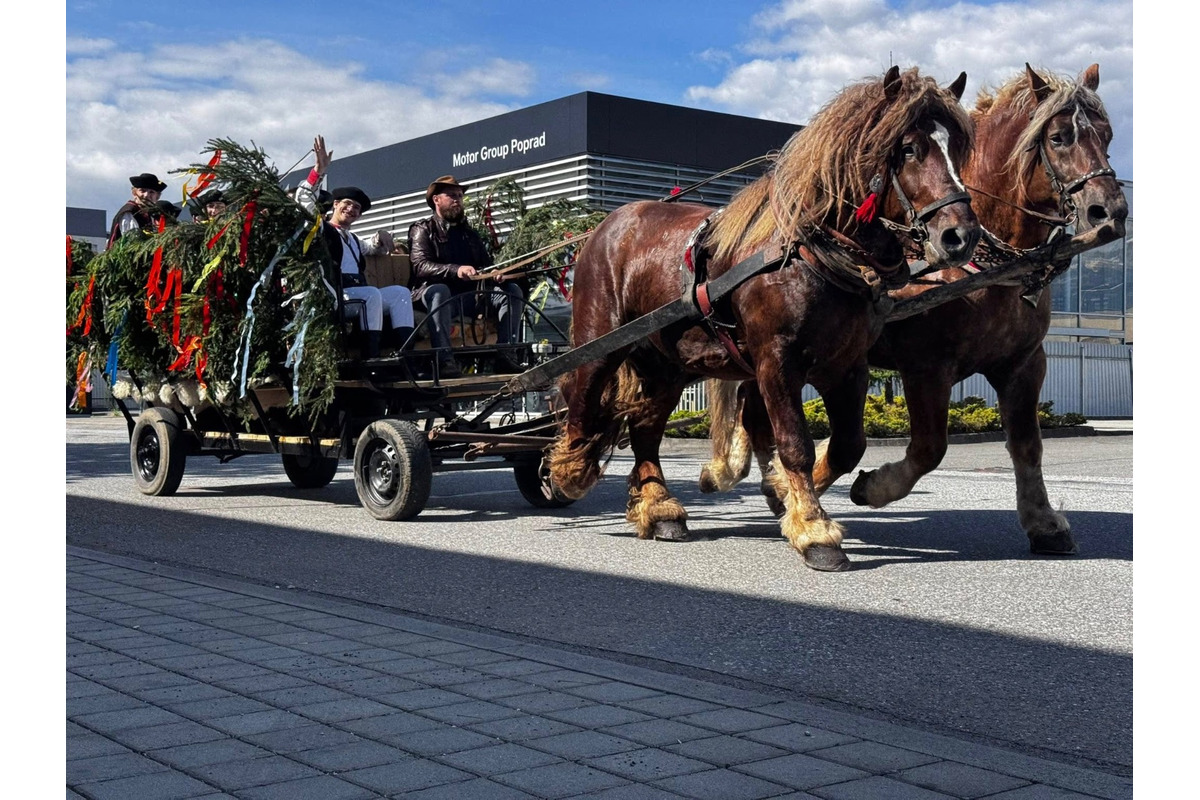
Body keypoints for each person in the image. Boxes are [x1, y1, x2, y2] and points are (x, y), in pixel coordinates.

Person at [295, 135, 414, 360]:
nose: (352, 210)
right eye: (347, 204)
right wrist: (318, 171)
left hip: (358, 294)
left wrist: (381, 235)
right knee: (371, 295)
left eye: (357, 208)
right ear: (335, 205)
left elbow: (373, 248)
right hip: (335, 295)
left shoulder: (352, 239)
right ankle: (371, 358)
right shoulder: (321, 230)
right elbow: (303, 200)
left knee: (400, 293)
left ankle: (405, 354)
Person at [407, 175, 524, 377]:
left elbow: (485, 266)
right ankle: (443, 360)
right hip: (434, 297)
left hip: (469, 298)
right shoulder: (422, 229)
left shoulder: (469, 234)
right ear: (436, 200)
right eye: (452, 195)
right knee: (440, 291)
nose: (457, 200)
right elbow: (420, 266)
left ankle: (505, 354)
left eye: (460, 196)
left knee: (511, 291)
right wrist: (456, 269)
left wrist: (494, 275)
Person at [108, 172, 167, 246]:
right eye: (142, 190)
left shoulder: (153, 214)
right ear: (134, 193)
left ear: (157, 196)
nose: (146, 195)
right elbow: (131, 243)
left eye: (151, 192)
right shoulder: (130, 212)